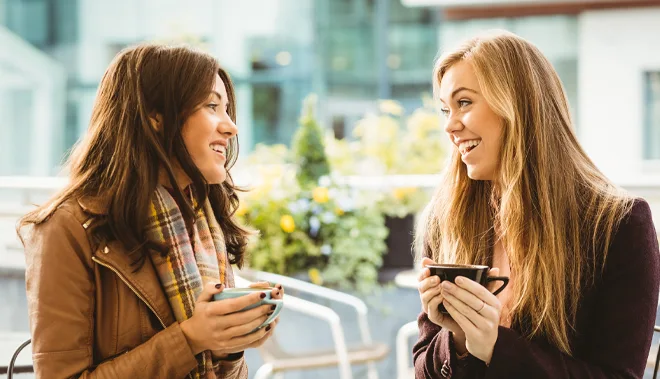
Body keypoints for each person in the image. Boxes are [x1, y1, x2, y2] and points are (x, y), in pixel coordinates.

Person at [18, 44, 283, 378]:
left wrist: (228, 345)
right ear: (154, 117)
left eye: (228, 110)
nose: (231, 127)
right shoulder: (67, 228)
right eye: (212, 106)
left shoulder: (202, 224)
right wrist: (189, 340)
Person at [414, 30, 660, 378]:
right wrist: (455, 338)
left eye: (464, 103)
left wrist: (495, 348)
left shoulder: (618, 226)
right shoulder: (448, 220)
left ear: (518, 105)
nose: (450, 126)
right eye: (445, 109)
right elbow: (423, 365)